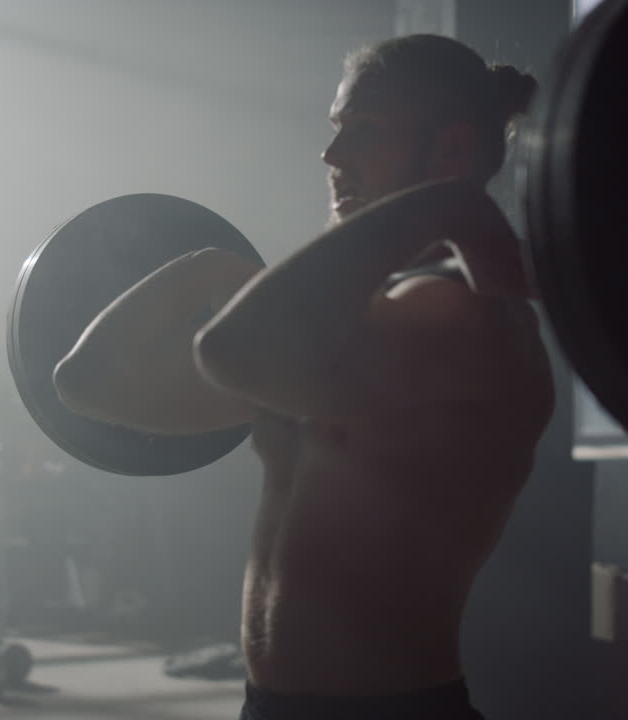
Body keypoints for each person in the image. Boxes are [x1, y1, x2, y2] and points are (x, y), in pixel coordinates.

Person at [54, 34, 554, 720]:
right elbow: (87, 384)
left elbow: (233, 350)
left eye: (365, 131)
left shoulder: (464, 318)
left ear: (452, 149)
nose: (331, 156)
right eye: (336, 128)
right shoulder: (353, 331)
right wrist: (205, 266)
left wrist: (451, 205)